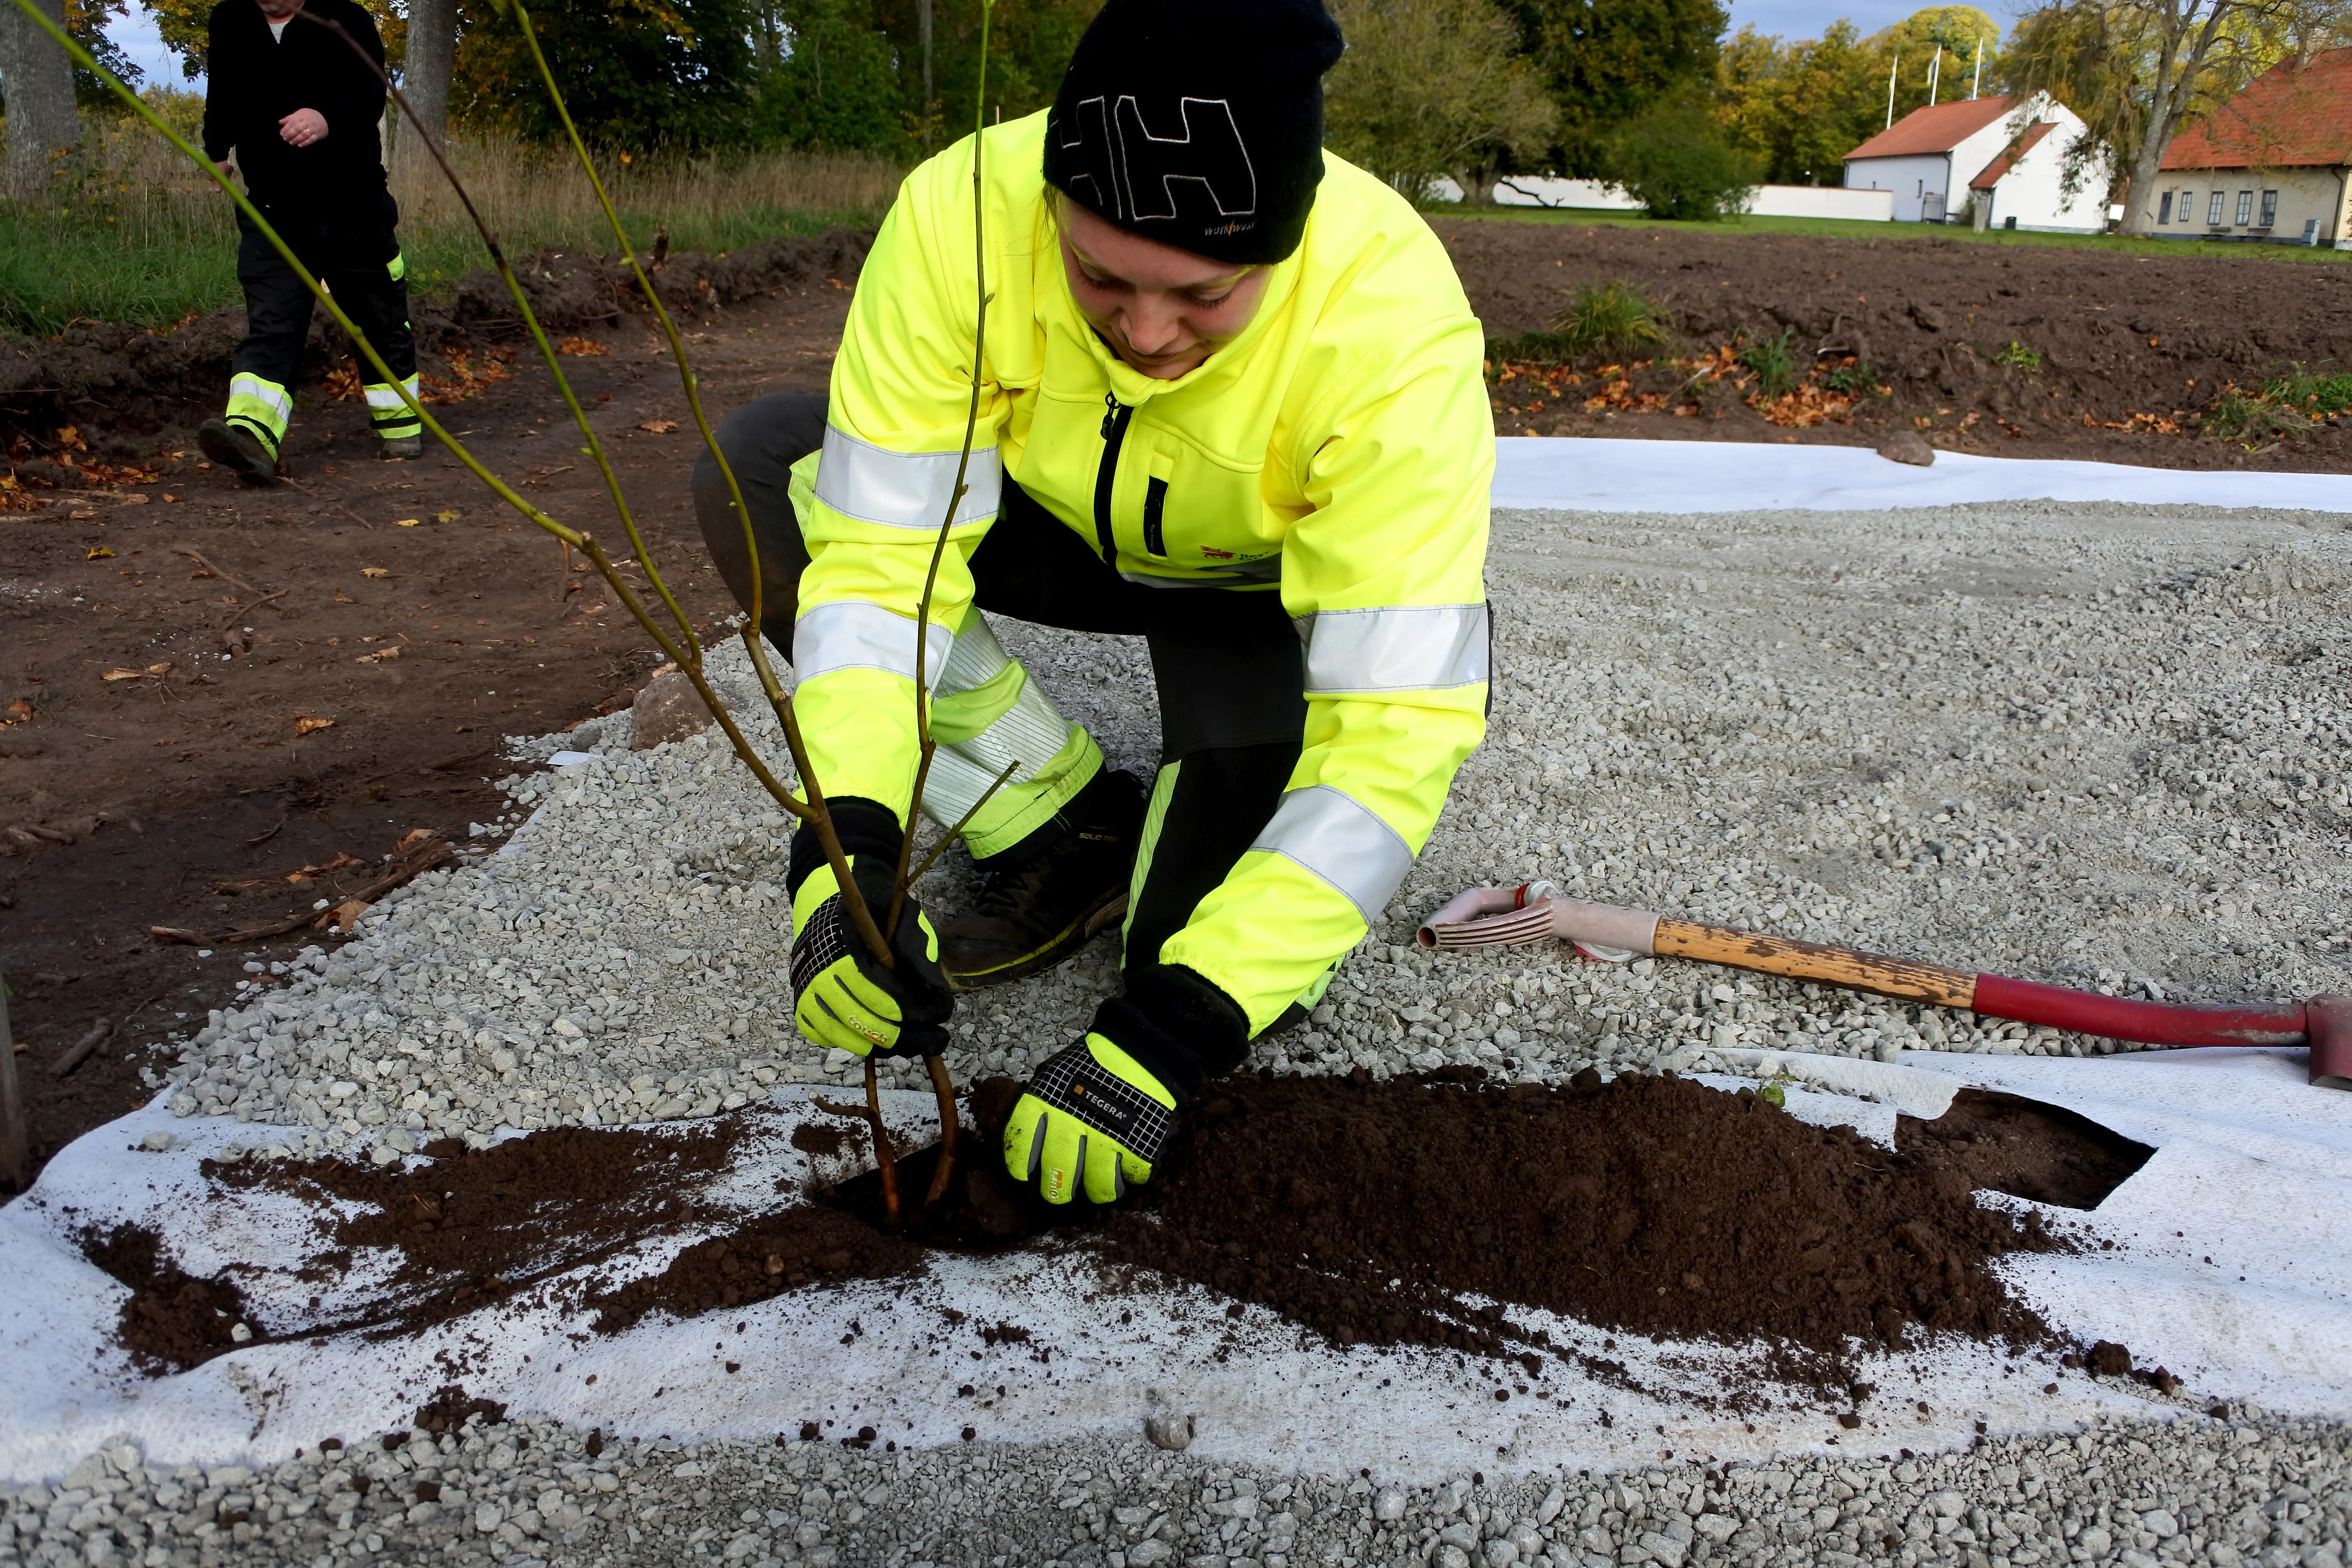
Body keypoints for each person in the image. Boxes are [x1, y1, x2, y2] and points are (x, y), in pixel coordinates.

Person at [695, 0, 1492, 1205]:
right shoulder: (961, 214)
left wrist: (1177, 1029)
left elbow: (1395, 727)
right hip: (1058, 532)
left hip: (1254, 593)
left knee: (1217, 983)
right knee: (767, 471)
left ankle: (1169, 873)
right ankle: (1056, 813)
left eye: (1207, 299)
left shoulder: (1392, 328)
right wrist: (844, 845)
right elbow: (878, 570)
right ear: (1051, 207)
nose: (1149, 334)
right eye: (1101, 283)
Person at [196, 0, 421, 483]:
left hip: (353, 206)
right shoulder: (231, 20)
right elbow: (224, 88)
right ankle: (252, 437)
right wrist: (216, 151)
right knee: (272, 322)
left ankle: (400, 424)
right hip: (273, 209)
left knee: (376, 315)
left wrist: (326, 118)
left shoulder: (346, 17)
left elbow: (369, 91)